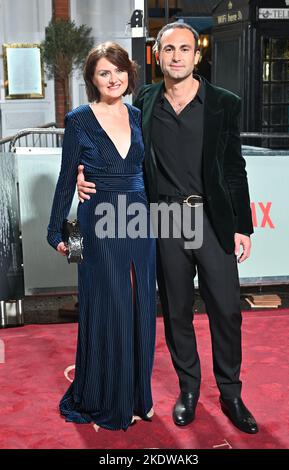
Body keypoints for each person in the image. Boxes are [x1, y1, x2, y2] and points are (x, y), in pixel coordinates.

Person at [77, 23, 258, 434]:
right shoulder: (142, 102)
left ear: (197, 56)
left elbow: (233, 167)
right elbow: (112, 145)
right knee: (176, 312)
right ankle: (189, 391)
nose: (176, 56)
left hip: (211, 221)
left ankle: (231, 394)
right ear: (157, 56)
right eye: (168, 49)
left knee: (227, 311)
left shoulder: (223, 103)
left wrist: (242, 225)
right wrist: (82, 173)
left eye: (185, 49)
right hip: (165, 221)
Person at [47, 42, 156, 431]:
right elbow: (66, 179)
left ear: (129, 72)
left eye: (119, 70)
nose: (114, 79)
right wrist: (59, 233)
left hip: (140, 220)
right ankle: (108, 397)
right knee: (107, 305)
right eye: (104, 73)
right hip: (96, 221)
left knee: (141, 303)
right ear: (93, 80)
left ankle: (139, 396)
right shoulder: (78, 119)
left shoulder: (138, 115)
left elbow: (148, 170)